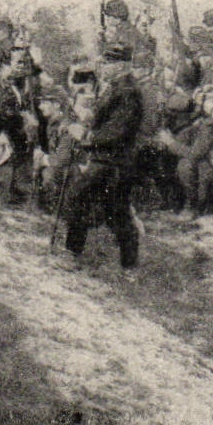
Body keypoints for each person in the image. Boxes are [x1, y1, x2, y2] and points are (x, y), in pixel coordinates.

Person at [59, 43, 146, 274]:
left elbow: (118, 131)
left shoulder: (127, 91)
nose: (103, 66)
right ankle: (77, 253)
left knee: (106, 208)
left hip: (114, 162)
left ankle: (76, 254)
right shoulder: (117, 87)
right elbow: (106, 120)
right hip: (107, 159)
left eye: (108, 62)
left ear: (122, 64)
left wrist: (87, 136)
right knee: (104, 207)